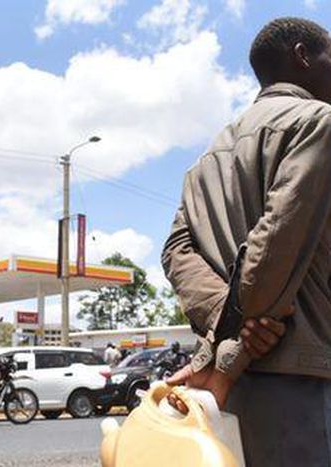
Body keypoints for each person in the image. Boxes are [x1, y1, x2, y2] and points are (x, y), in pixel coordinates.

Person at [162, 17, 331, 466]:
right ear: (302, 56)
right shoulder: (319, 122)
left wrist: (222, 330)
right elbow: (278, 237)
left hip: (229, 385)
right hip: (298, 375)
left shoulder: (205, 161)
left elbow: (177, 250)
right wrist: (236, 341)